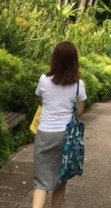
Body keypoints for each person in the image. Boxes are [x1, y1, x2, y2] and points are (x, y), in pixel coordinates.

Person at [32, 41, 87, 208]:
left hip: (45, 133)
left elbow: (41, 100)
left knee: (41, 182)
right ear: (74, 61)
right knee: (60, 180)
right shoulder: (78, 84)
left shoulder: (43, 80)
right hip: (66, 136)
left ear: (54, 59)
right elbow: (79, 112)